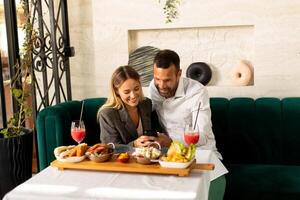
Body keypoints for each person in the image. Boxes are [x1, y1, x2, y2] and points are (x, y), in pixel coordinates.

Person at [149, 49, 221, 158]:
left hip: (201, 153)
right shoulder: (154, 87)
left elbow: (203, 136)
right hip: (171, 154)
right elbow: (143, 111)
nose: (161, 85)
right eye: (157, 79)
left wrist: (171, 141)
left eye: (167, 80)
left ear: (179, 74)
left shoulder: (197, 91)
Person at [98, 65, 171, 147]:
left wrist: (159, 140)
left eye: (136, 89)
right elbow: (110, 147)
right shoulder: (107, 115)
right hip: (123, 159)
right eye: (126, 92)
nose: (133, 96)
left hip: (147, 158)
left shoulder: (146, 104)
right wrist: (133, 145)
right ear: (116, 91)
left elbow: (155, 133)